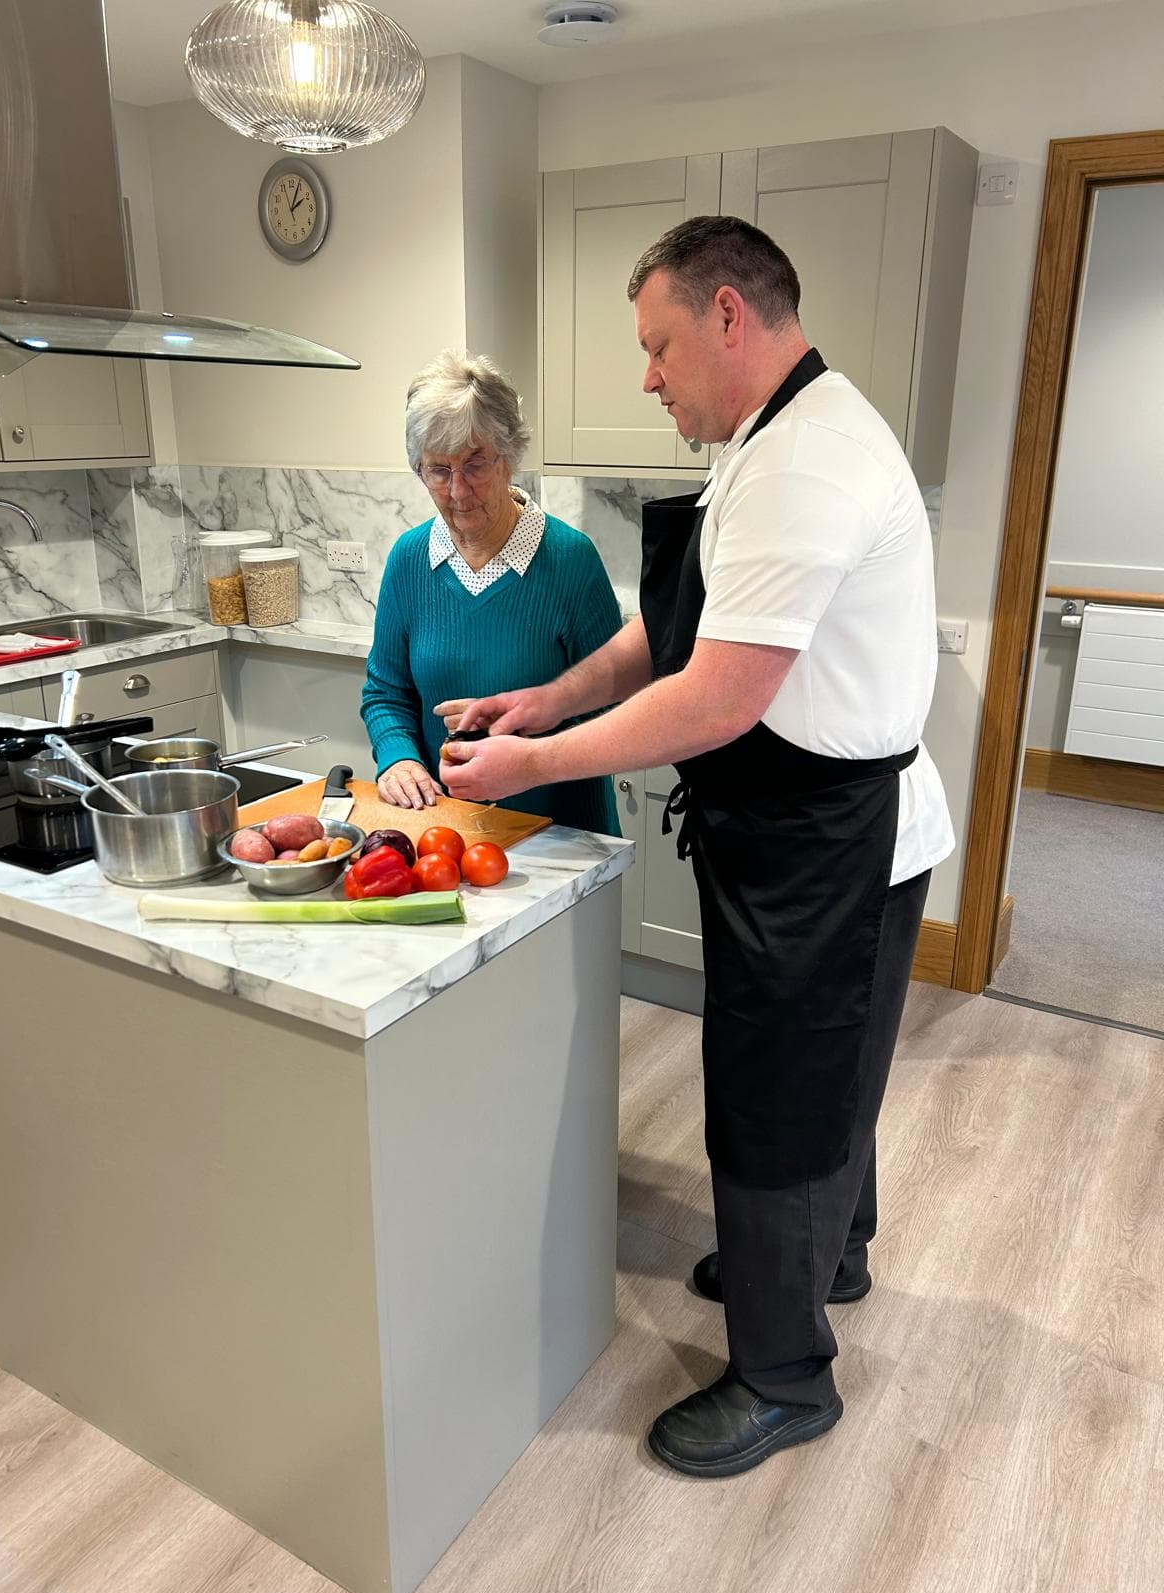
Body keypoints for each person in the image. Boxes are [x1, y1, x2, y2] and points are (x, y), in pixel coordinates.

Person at [439, 217, 954, 1478]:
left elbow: (717, 696)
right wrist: (544, 702)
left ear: (732, 316)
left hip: (831, 835)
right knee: (821, 1068)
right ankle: (826, 1257)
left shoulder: (803, 465)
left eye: (660, 345)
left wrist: (527, 767)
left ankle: (786, 1377)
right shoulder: (762, 442)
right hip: (802, 827)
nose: (650, 376)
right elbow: (665, 637)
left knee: (778, 1095)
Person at [361, 350, 621, 834]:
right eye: (438, 471)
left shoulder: (570, 560)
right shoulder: (409, 560)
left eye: (475, 465)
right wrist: (397, 758)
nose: (458, 491)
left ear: (510, 456)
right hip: (443, 827)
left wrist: (522, 728)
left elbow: (616, 706)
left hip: (561, 831)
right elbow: (385, 692)